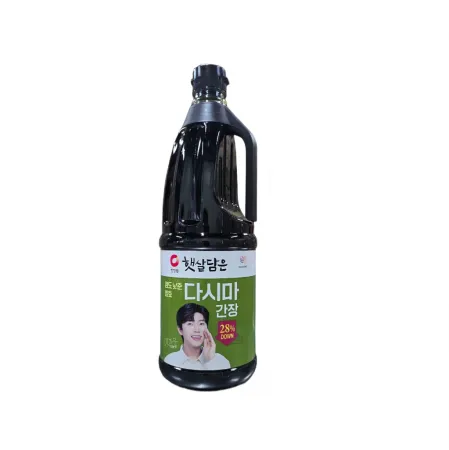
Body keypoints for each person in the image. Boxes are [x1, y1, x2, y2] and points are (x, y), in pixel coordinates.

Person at [164, 303, 231, 370]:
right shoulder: (170, 360)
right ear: (180, 330)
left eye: (201, 323)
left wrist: (210, 360)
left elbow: (219, 376)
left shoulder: (221, 361)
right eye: (190, 324)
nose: (197, 330)